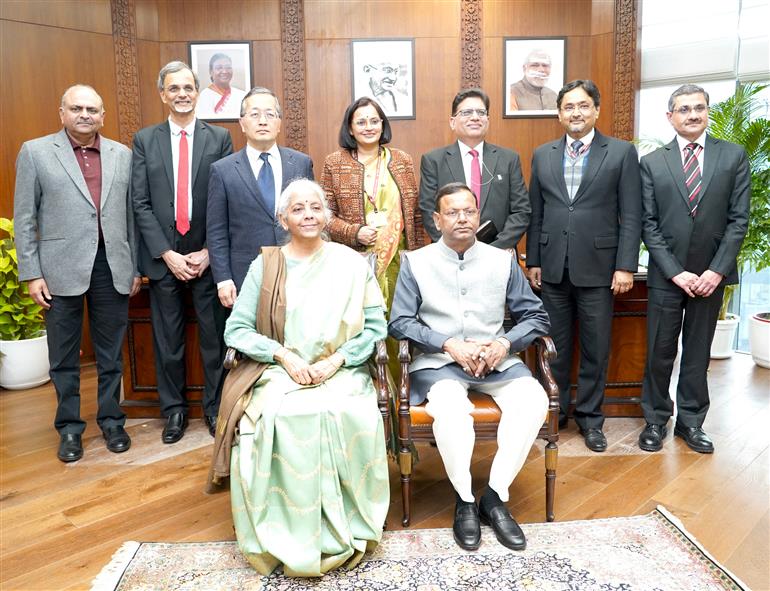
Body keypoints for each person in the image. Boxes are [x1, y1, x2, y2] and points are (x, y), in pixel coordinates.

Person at [217, 179, 389, 576]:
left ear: (328, 215)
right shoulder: (267, 265)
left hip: (341, 369)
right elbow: (237, 330)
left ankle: (345, 525)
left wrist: (337, 361)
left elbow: (376, 327)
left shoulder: (351, 263)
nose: (308, 215)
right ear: (283, 219)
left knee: (343, 412)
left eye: (316, 207)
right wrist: (282, 355)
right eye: (298, 209)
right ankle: (280, 531)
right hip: (280, 370)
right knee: (280, 417)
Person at [389, 182, 550, 552]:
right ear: (437, 219)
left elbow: (535, 316)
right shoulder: (417, 261)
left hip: (497, 361)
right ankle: (463, 499)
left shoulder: (503, 260)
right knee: (449, 408)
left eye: (469, 211)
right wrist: (446, 343)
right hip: (440, 362)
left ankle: (493, 496)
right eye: (452, 212)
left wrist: (505, 343)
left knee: (533, 401)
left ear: (478, 216)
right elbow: (399, 322)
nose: (462, 219)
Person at [13, 84, 141, 462]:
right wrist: (32, 273)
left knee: (111, 354)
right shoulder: (36, 152)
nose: (85, 115)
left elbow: (131, 218)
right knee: (63, 357)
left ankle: (112, 420)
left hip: (111, 265)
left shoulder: (123, 154)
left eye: (92, 109)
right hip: (59, 269)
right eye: (77, 108)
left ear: (102, 115)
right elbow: (25, 218)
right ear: (62, 112)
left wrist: (133, 267)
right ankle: (69, 429)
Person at [526, 80, 642, 452]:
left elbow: (632, 213)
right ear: (559, 113)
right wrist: (535, 260)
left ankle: (591, 418)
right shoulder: (543, 154)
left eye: (582, 106)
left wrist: (625, 265)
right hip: (554, 269)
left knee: (595, 347)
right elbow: (537, 212)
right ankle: (555, 414)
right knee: (554, 347)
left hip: (600, 269)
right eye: (568, 107)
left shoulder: (622, 153)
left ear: (596, 110)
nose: (575, 113)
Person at [638, 84, 750, 454]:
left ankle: (691, 422)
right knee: (660, 351)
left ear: (707, 112)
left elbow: (739, 221)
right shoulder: (653, 162)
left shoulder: (733, 157)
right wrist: (675, 272)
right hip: (668, 276)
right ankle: (655, 419)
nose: (692, 115)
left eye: (699, 108)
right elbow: (648, 224)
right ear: (670, 116)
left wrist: (716, 272)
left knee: (699, 353)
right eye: (684, 109)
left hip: (710, 277)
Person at [132, 61, 233, 442]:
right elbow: (139, 203)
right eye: (174, 88)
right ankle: (173, 412)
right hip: (164, 260)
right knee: (168, 343)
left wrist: (209, 251)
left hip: (207, 257)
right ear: (163, 94)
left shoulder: (219, 139)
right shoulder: (145, 140)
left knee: (214, 341)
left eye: (188, 87)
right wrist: (165, 254)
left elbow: (223, 200)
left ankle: (214, 409)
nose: (182, 94)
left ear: (198, 90)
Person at [207, 87, 314, 305]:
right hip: (243, 276)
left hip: (296, 271)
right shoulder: (223, 170)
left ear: (279, 123)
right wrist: (223, 279)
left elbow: (312, 221)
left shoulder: (301, 163)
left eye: (270, 114)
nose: (262, 121)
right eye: (254, 114)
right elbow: (216, 230)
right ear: (242, 123)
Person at [321, 96, 422, 310]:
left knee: (400, 318)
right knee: (361, 319)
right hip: (356, 258)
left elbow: (415, 214)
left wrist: (418, 255)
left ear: (382, 125)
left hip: (399, 258)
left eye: (374, 121)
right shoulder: (335, 163)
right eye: (361, 122)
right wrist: (354, 232)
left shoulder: (402, 160)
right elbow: (324, 216)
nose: (369, 127)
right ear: (350, 129)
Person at [419, 88, 530, 251]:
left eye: (481, 112)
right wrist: (451, 248)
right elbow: (428, 211)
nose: (475, 117)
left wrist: (494, 249)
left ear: (487, 119)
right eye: (466, 112)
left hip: (497, 253)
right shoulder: (433, 160)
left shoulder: (509, 159)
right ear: (452, 122)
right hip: (449, 255)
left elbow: (521, 211)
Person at [196, 53, 247, 119]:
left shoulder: (242, 95)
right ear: (211, 72)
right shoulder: (204, 95)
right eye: (219, 68)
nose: (224, 71)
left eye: (228, 67)